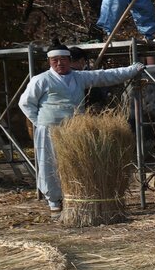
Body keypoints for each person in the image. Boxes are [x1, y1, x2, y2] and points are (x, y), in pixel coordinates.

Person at [19, 45, 145, 213]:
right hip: (48, 129)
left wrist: (132, 70)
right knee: (49, 163)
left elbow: (106, 76)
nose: (59, 63)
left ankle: (73, 197)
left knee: (74, 163)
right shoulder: (41, 79)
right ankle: (54, 201)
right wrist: (40, 122)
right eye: (55, 60)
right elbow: (25, 103)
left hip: (74, 130)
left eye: (63, 59)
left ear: (69, 61)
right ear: (49, 61)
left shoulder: (79, 77)